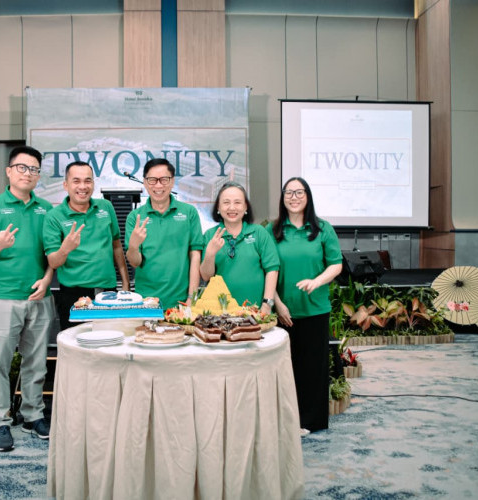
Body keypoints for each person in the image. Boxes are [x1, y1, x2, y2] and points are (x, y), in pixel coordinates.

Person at [0, 145, 54, 452]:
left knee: (36, 362)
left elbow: (52, 254)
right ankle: (0, 422)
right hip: (4, 297)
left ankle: (33, 416)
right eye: (22, 168)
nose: (28, 174)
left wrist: (47, 279)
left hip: (39, 296)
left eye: (34, 169)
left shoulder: (46, 209)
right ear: (9, 171)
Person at [269, 176, 342, 435]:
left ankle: (310, 421)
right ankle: (285, 421)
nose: (294, 197)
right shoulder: (272, 231)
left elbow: (335, 264)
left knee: (312, 368)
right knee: (284, 369)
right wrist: (278, 304)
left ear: (308, 196)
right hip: (283, 312)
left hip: (314, 309)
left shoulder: (323, 229)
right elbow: (266, 270)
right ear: (283, 198)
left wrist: (316, 281)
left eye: (299, 192)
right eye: (289, 193)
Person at [43, 161, 130, 331]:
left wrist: (125, 283)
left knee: (110, 339)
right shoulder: (54, 217)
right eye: (76, 181)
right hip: (73, 294)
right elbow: (53, 262)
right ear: (66, 185)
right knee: (75, 342)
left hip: (108, 291)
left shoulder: (106, 207)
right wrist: (65, 248)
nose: (83, 186)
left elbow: (116, 245)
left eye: (87, 181)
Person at [126, 158, 203, 309]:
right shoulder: (135, 217)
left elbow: (195, 255)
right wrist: (133, 246)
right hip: (146, 302)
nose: (158, 185)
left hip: (181, 301)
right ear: (145, 182)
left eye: (164, 179)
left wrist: (191, 297)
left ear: (172, 181)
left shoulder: (189, 212)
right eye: (152, 180)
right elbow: (134, 262)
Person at [200, 182, 279, 313]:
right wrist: (210, 254)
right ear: (218, 207)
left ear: (245, 206)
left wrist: (267, 304)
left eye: (237, 202)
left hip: (256, 312)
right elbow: (206, 276)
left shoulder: (259, 232)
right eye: (226, 202)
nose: (232, 208)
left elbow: (272, 270)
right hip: (220, 314)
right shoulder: (210, 235)